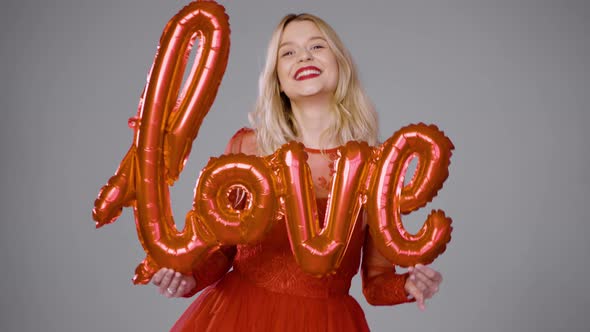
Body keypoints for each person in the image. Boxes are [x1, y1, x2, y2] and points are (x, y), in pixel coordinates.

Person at [151, 13, 443, 331]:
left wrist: (408, 287)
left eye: (317, 46)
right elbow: (222, 252)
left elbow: (375, 282)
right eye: (287, 52)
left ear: (340, 63)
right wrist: (188, 277)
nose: (303, 55)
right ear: (277, 79)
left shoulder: (378, 167)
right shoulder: (247, 148)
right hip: (238, 317)